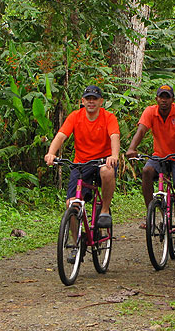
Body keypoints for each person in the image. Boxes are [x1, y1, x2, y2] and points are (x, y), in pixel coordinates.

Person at [126, 84, 175, 245]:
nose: (164, 100)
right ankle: (150, 214)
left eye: (167, 97)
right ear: (156, 99)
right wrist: (131, 149)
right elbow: (141, 131)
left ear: (172, 99)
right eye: (161, 97)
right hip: (159, 156)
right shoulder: (150, 111)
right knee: (147, 171)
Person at [44, 85, 120, 229]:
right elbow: (61, 136)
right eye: (88, 99)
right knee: (71, 204)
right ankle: (76, 246)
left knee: (107, 171)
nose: (91, 102)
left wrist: (114, 155)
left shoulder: (108, 117)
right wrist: (51, 153)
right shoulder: (75, 116)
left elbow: (114, 136)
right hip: (81, 163)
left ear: (101, 101)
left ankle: (104, 210)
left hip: (102, 161)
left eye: (95, 99)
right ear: (83, 101)